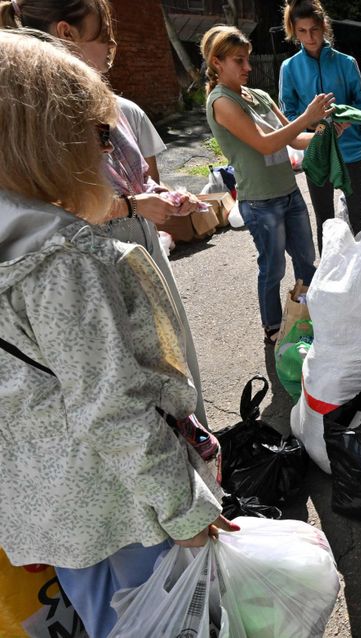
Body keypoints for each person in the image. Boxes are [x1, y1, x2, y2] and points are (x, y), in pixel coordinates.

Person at [0, 29, 234, 638]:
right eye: (100, 134)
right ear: (50, 141)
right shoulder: (60, 257)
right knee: (168, 621)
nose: (108, 151)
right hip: (124, 508)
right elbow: (113, 405)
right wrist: (185, 508)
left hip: (57, 510)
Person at [0, 0, 211, 425]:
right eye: (105, 40)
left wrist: (163, 198)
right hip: (100, 263)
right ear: (66, 34)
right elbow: (56, 212)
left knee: (175, 365)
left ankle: (206, 460)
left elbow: (140, 180)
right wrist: (134, 205)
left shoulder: (117, 108)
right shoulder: (41, 125)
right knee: (142, 389)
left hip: (139, 248)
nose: (112, 50)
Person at [202, 24, 334, 344]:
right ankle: (273, 328)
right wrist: (307, 117)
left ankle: (309, 314)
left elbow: (293, 140)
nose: (248, 67)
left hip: (289, 194)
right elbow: (264, 144)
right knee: (272, 269)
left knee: (306, 261)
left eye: (248, 59)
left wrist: (323, 131)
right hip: (261, 202)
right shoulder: (221, 102)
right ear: (217, 63)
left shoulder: (258, 96)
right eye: (239, 61)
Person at [279, 0, 361, 252]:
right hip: (317, 153)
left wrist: (345, 120)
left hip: (350, 152)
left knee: (359, 220)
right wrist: (314, 125)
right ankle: (329, 283)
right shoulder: (289, 68)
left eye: (314, 29)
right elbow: (287, 116)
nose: (310, 37)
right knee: (325, 222)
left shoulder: (346, 62)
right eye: (302, 31)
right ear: (293, 31)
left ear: (324, 27)